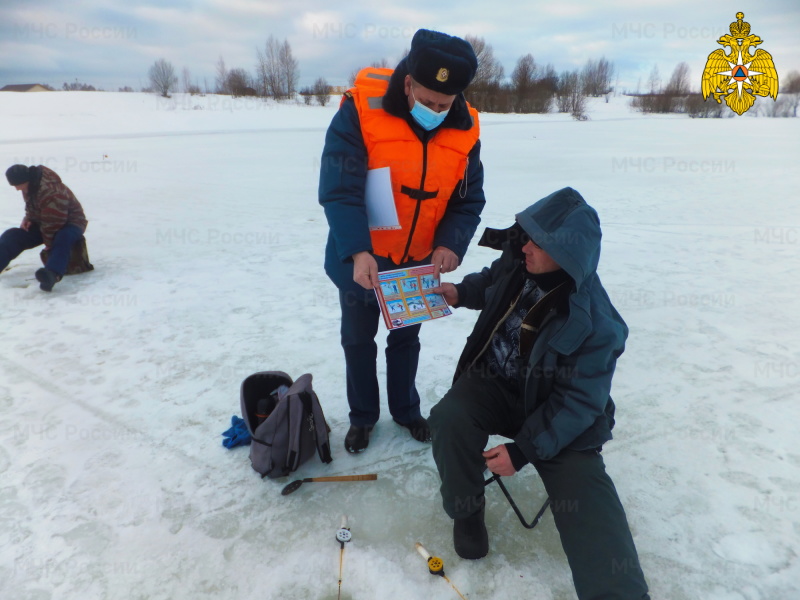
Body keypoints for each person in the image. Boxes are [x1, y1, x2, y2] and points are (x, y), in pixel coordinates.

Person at [429, 187, 650, 599]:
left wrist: (524, 450)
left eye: (537, 240)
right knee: (449, 419)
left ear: (566, 254)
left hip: (557, 415)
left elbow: (580, 404)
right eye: (526, 235)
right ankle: (466, 514)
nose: (525, 244)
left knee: (588, 499)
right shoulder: (519, 260)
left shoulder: (597, 324)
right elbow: (491, 281)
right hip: (495, 384)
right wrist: (461, 293)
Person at [319, 29, 486, 453]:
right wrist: (358, 251)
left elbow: (468, 201)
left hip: (417, 263)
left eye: (444, 105)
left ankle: (407, 411)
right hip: (362, 259)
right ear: (408, 81)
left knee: (406, 339)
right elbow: (341, 188)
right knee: (357, 340)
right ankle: (363, 418)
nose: (435, 111)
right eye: (427, 100)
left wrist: (450, 243)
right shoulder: (361, 111)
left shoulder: (465, 130)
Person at [2, 164, 88, 291]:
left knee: (61, 238)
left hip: (71, 223)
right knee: (12, 236)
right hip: (44, 222)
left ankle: (52, 274)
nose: (16, 189)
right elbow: (32, 205)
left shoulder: (51, 191)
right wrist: (29, 218)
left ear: (26, 180)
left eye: (17, 185)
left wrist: (48, 244)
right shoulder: (29, 186)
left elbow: (55, 222)